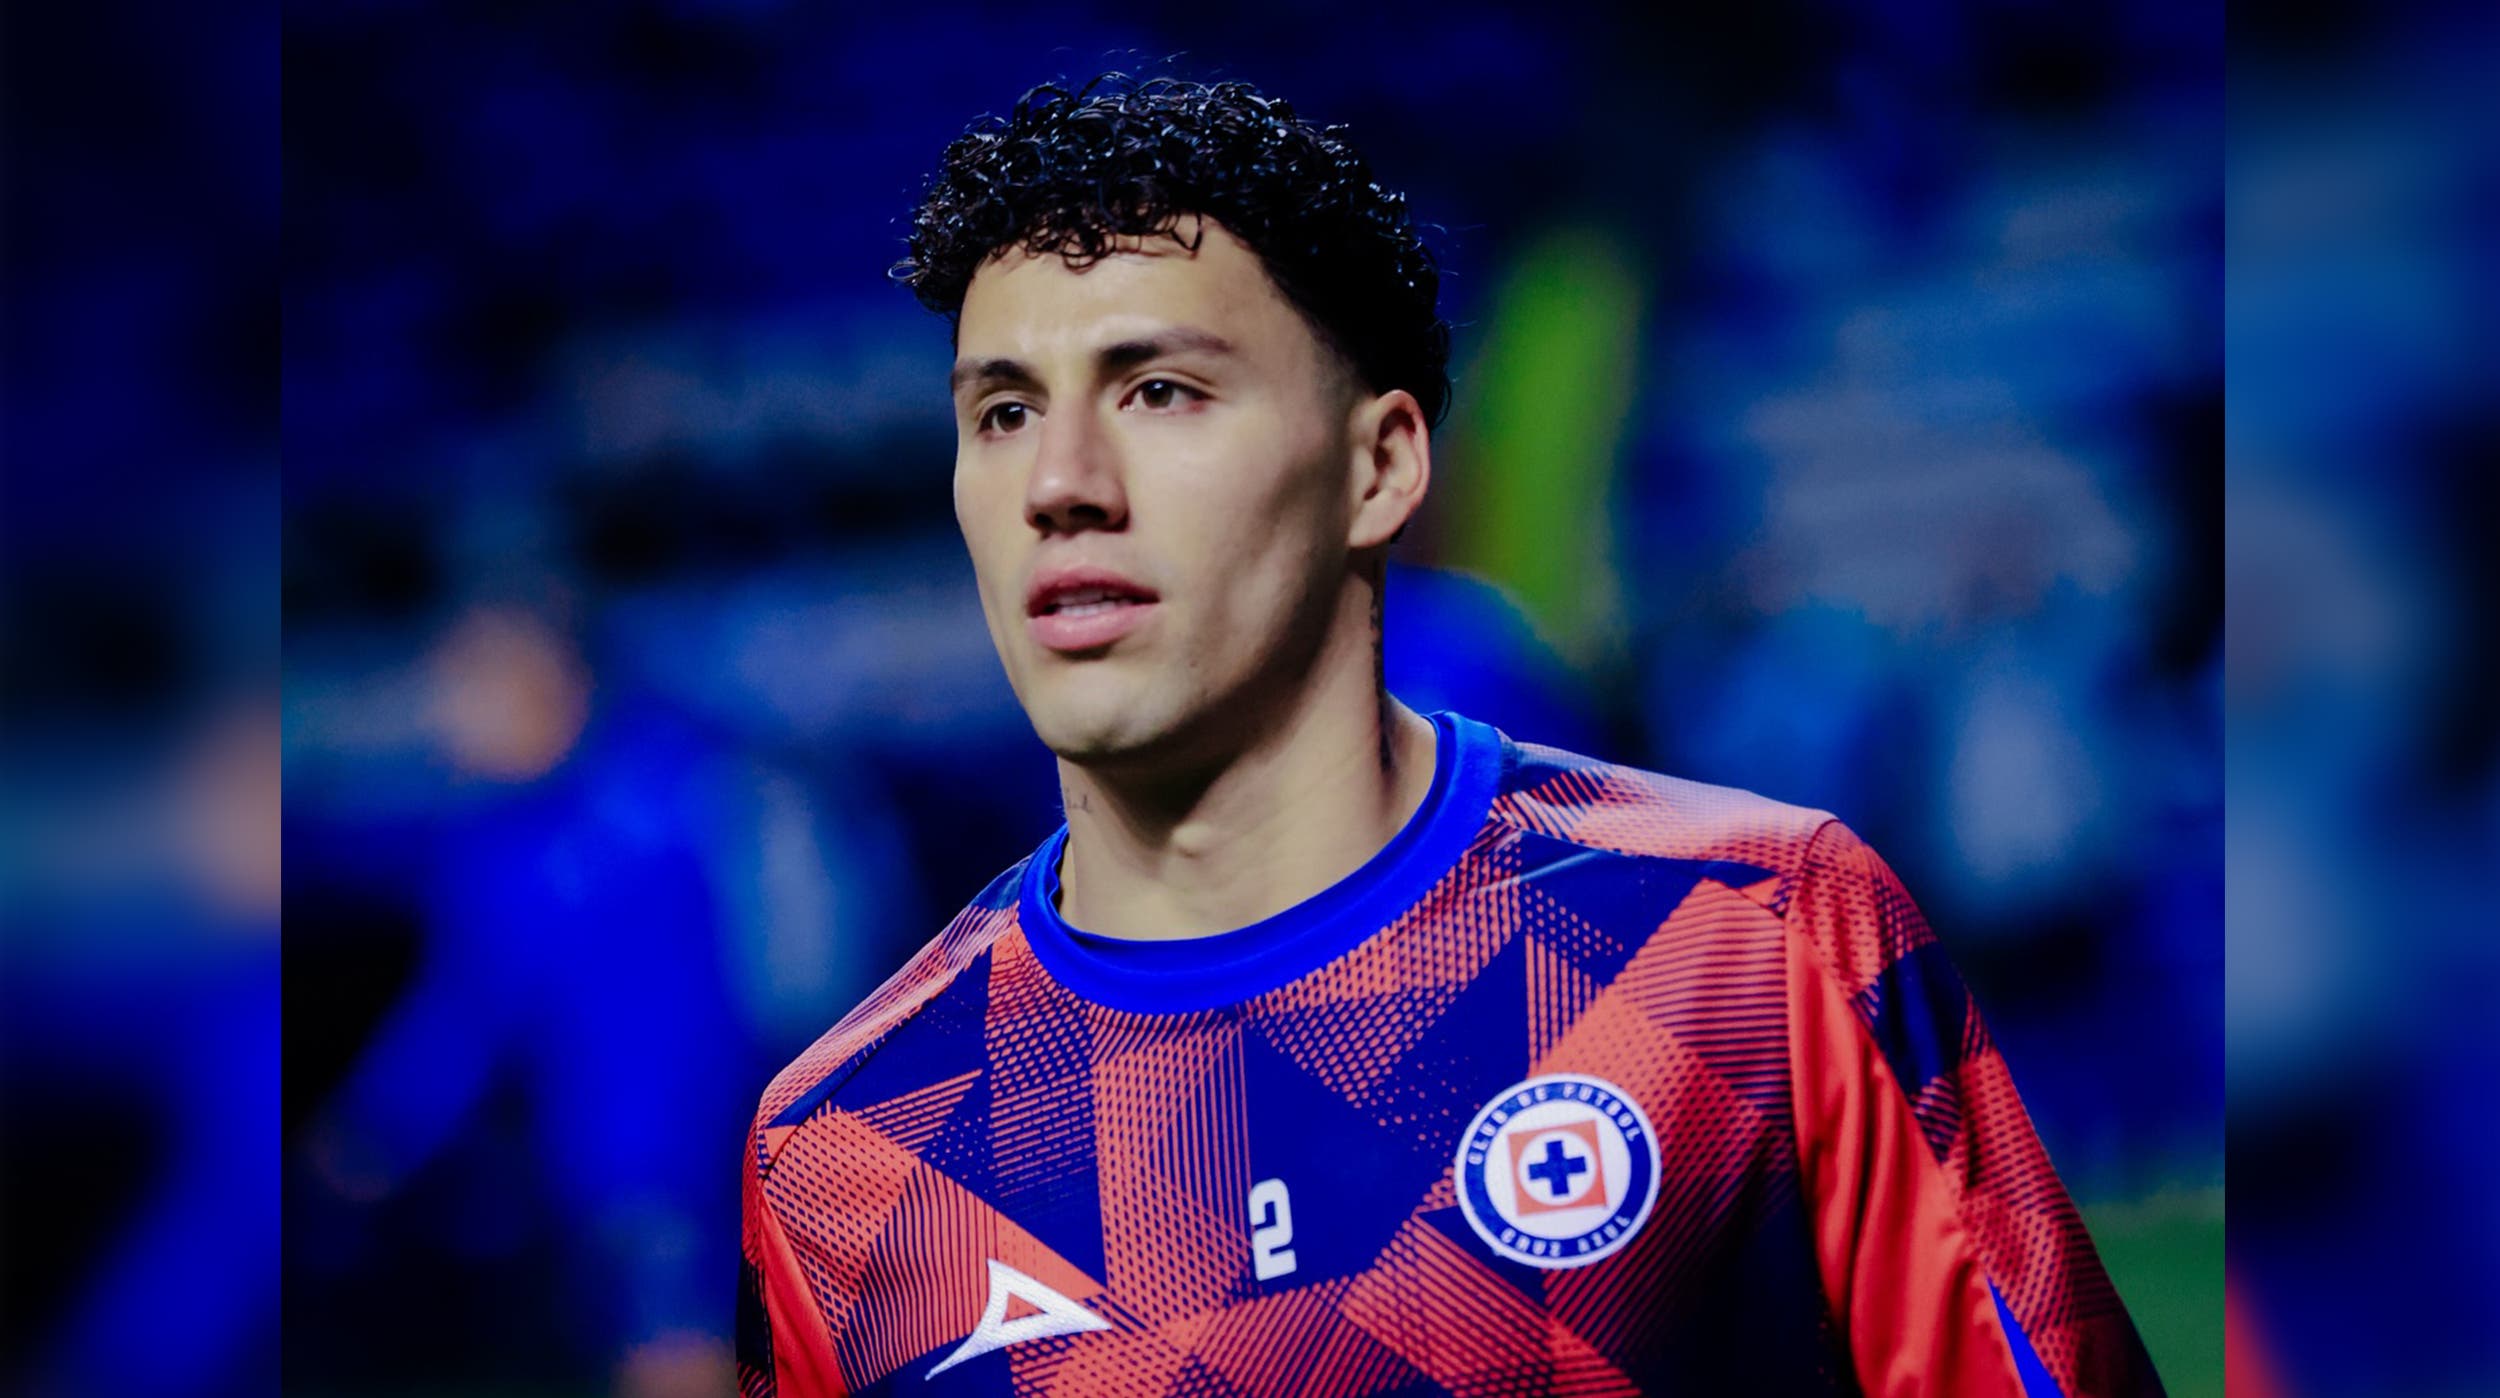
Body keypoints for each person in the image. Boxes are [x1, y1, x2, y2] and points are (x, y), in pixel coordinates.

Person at [739, 75, 2161, 1397]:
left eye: (1159, 390)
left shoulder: (1757, 941)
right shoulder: (844, 1158)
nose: (1060, 482)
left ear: (1380, 467)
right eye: (1002, 412)